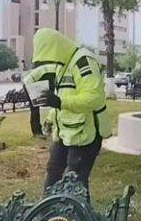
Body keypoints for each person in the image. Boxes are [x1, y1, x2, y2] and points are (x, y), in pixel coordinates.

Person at [22, 28, 112, 195]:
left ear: (56, 48)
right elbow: (62, 94)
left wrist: (60, 102)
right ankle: (47, 213)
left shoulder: (83, 62)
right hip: (65, 132)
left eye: (49, 55)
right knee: (53, 170)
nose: (48, 61)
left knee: (75, 179)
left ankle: (79, 219)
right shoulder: (61, 66)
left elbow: (94, 98)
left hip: (86, 133)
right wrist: (50, 117)